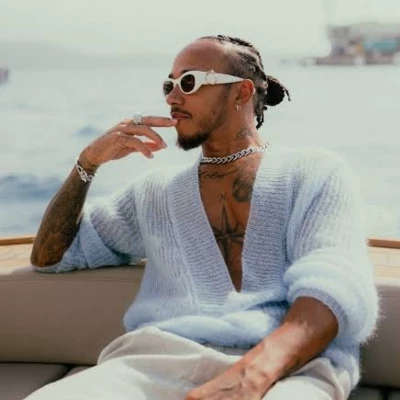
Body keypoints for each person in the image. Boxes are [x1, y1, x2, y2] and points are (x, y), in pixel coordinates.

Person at [28, 35, 378, 400]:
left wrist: (250, 377)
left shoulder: (315, 173)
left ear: (242, 92)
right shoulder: (153, 194)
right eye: (169, 85)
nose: (172, 98)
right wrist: (87, 163)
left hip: (290, 370)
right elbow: (50, 258)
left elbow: (335, 288)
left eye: (189, 82)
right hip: (152, 363)